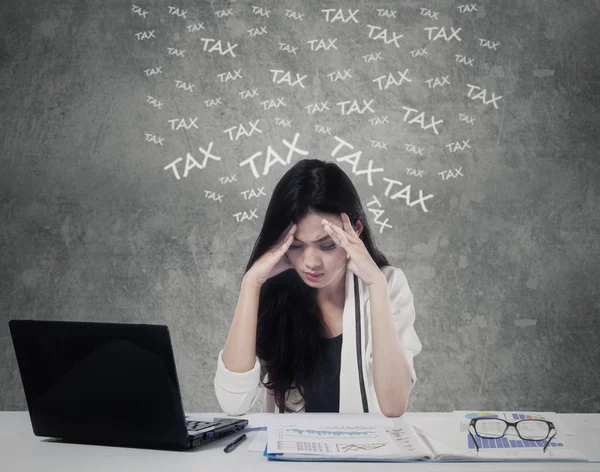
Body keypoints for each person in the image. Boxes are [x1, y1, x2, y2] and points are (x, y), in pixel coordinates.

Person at [214, 159, 422, 417]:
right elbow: (233, 404)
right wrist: (251, 285)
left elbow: (394, 406)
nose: (311, 262)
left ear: (355, 230)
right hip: (289, 453)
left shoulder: (388, 284)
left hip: (364, 454)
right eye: (296, 246)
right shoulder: (276, 292)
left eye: (326, 245)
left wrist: (376, 286)